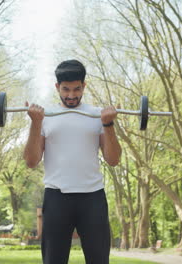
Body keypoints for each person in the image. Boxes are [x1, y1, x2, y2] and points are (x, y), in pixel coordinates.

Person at [24, 59, 122, 264]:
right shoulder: (46, 116)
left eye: (77, 89)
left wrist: (109, 124)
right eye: (66, 89)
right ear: (57, 87)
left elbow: (113, 160)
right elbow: (31, 161)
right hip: (56, 197)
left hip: (92, 198)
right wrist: (35, 124)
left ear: (84, 86)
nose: (71, 95)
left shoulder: (97, 115)